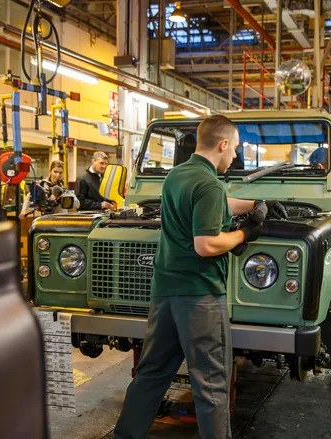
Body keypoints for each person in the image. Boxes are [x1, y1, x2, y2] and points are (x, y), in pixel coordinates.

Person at [113, 115, 287, 439]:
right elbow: (206, 244)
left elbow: (210, 202)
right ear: (222, 145)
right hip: (200, 296)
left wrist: (254, 203)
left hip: (165, 293)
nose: (235, 155)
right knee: (210, 384)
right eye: (234, 148)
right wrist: (244, 234)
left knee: (151, 373)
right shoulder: (209, 183)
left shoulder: (178, 175)